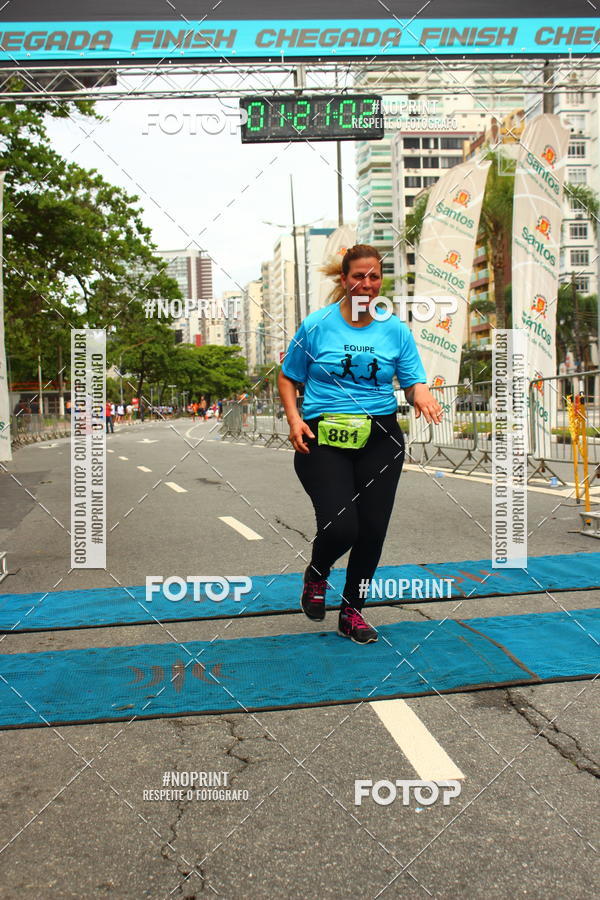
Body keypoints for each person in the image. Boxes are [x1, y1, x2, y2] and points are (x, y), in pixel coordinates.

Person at [278, 244, 443, 645]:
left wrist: (420, 393)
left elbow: (412, 377)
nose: (366, 284)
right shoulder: (317, 325)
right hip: (323, 435)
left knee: (372, 530)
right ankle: (317, 574)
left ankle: (352, 613)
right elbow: (287, 375)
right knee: (342, 526)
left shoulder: (395, 330)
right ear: (344, 280)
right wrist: (295, 419)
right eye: (358, 276)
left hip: (380, 436)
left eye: (373, 277)